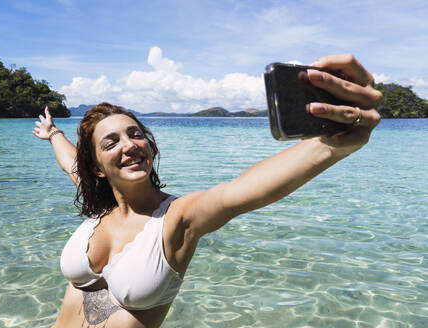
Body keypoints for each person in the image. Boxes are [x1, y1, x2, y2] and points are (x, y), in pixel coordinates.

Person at [32, 54, 382, 328]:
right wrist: (53, 134)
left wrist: (335, 144)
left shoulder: (177, 218)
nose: (129, 145)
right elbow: (70, 163)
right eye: (111, 142)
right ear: (96, 167)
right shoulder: (98, 207)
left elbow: (241, 191)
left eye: (136, 134)